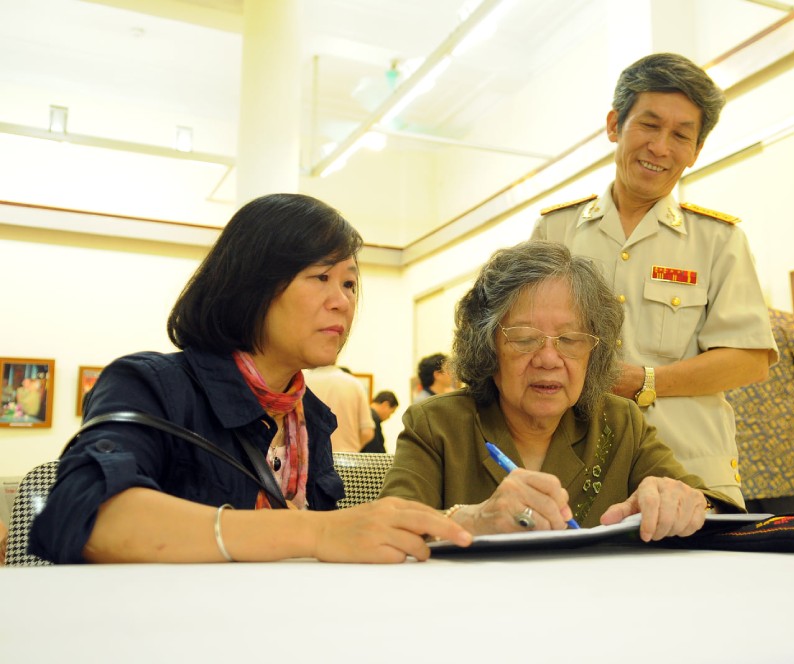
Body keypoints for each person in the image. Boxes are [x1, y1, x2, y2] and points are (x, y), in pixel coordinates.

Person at [27, 193, 470, 564]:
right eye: (321, 277)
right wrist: (313, 531)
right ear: (251, 285)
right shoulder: (153, 385)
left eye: (350, 284)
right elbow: (86, 517)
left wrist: (465, 526)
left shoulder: (311, 418)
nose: (342, 302)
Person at [532, 52, 777, 507]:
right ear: (614, 125)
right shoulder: (556, 231)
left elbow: (749, 359)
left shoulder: (718, 240)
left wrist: (644, 381)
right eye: (648, 125)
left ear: (696, 151)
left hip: (689, 474)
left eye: (681, 135)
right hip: (570, 474)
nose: (661, 147)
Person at [380, 241, 742, 542]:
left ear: (593, 352)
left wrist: (687, 503)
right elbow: (388, 526)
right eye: (524, 339)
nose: (549, 359)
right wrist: (473, 520)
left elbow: (711, 505)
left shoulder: (619, 422)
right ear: (487, 347)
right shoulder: (438, 423)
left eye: (570, 340)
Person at [724, 309, 794, 514]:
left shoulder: (710, 331)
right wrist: (789, 435)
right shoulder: (786, 324)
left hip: (729, 478)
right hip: (793, 472)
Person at [306, 365, 375, 452]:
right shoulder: (354, 384)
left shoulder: (303, 382)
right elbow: (367, 432)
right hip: (347, 457)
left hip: (311, 456)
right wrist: (353, 450)